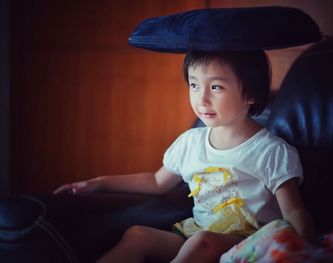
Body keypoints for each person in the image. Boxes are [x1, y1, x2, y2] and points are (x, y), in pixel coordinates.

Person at [54, 50, 315, 263]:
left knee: (201, 243)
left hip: (247, 245)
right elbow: (157, 182)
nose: (202, 99)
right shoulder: (190, 143)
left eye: (215, 87)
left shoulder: (270, 151)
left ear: (250, 93)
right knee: (138, 235)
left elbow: (293, 210)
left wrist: (306, 248)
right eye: (194, 85)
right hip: (194, 235)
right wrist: (100, 182)